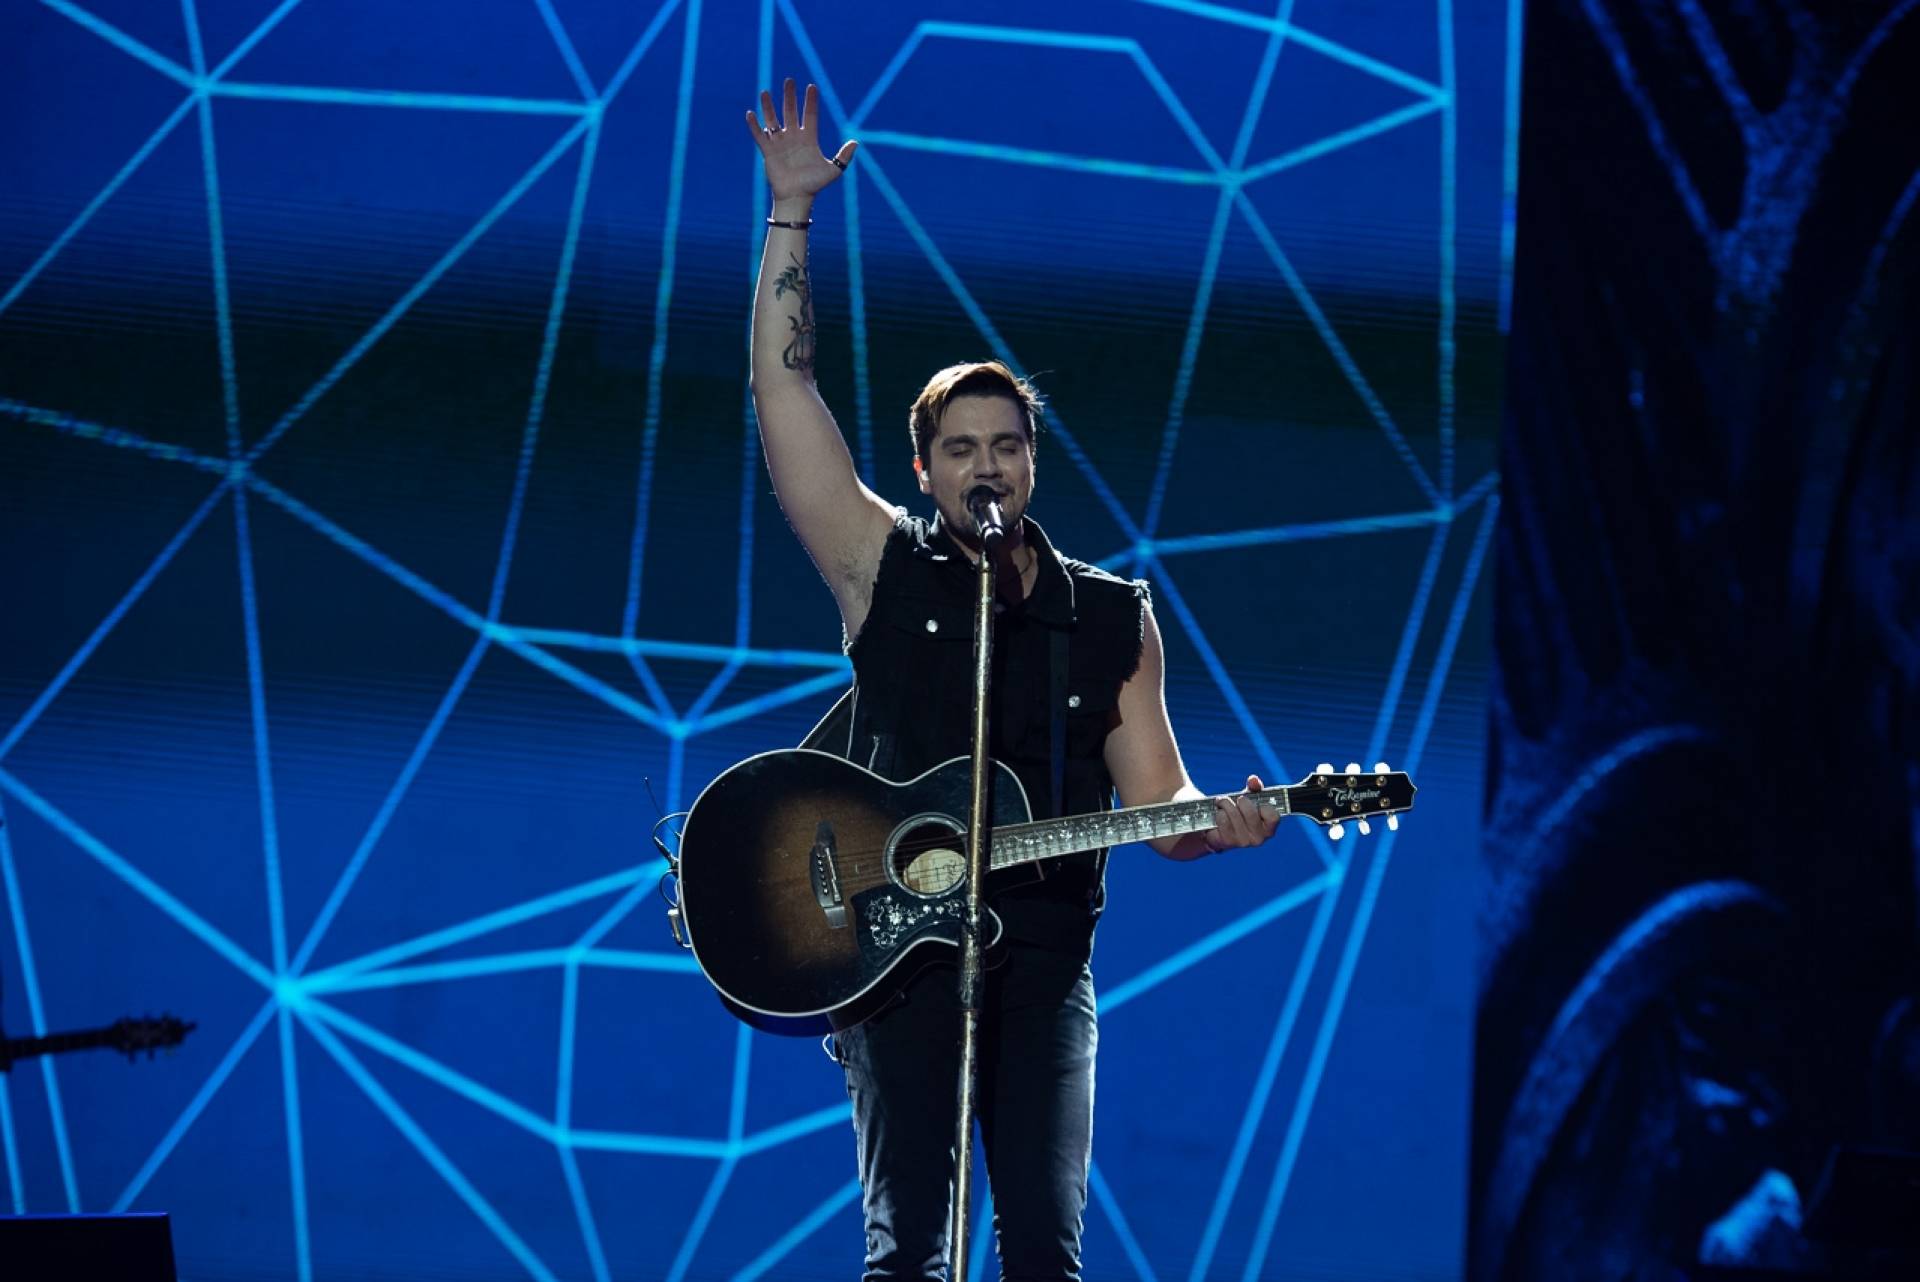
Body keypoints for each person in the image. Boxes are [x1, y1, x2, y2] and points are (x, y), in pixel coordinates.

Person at [745, 79, 1280, 1282]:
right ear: (925, 471)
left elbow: (1161, 805)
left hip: (1043, 971)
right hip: (895, 959)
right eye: (960, 450)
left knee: (1043, 1252)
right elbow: (785, 394)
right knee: (910, 1257)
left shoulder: (1111, 616)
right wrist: (791, 214)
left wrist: (1228, 821)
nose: (985, 467)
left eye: (1005, 446)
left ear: (1032, 461)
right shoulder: (883, 571)